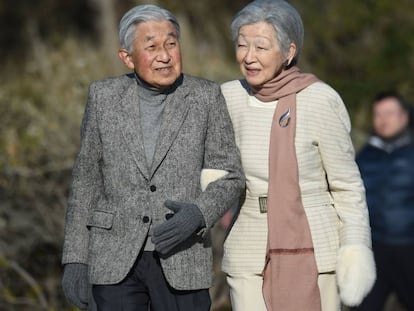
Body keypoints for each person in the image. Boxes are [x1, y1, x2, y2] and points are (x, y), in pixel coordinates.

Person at [61, 4, 244, 311]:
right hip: (114, 258)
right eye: (152, 47)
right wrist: (75, 258)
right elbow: (86, 181)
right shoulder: (103, 97)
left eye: (171, 44)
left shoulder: (205, 96)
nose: (165, 55)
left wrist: (197, 215)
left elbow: (231, 175)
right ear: (127, 57)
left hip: (182, 256)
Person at [220, 1, 376, 310]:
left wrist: (356, 248)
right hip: (249, 249)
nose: (249, 57)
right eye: (242, 45)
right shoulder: (227, 98)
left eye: (261, 47)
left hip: (316, 251)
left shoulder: (320, 100)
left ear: (289, 52)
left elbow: (347, 186)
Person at [355, 91, 414, 311]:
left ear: (404, 117)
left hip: (408, 247)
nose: (383, 119)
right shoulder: (365, 155)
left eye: (389, 113)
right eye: (377, 114)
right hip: (373, 248)